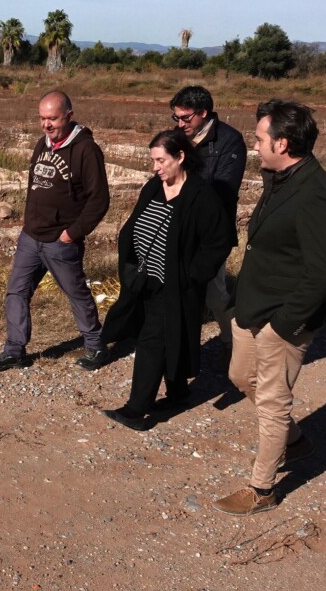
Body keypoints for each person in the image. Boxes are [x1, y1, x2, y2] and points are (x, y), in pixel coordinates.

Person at [213, 100, 326, 516]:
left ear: (282, 143)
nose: (255, 146)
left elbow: (323, 271)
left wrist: (286, 325)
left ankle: (262, 489)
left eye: (259, 138)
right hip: (252, 308)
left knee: (272, 401)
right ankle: (296, 441)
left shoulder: (316, 194)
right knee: (239, 376)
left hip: (283, 318)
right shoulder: (281, 177)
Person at [95, 128, 236, 430]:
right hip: (144, 280)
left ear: (181, 157)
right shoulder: (153, 187)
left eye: (160, 160)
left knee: (151, 342)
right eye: (152, 161)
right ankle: (178, 393)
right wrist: (131, 267)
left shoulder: (200, 196)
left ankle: (137, 410)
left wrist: (191, 276)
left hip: (175, 288)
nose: (155, 167)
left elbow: (219, 241)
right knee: (173, 337)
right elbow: (132, 227)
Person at [0, 90, 111, 372]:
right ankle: (14, 350)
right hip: (31, 237)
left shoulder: (86, 150)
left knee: (76, 293)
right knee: (16, 292)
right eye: (42, 118)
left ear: (69, 116)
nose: (46, 125)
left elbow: (99, 199)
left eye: (52, 118)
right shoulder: (43, 143)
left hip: (60, 241)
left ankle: (95, 345)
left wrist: (72, 233)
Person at [169, 85, 247, 366]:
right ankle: (180, 347)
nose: (180, 124)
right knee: (177, 290)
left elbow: (224, 189)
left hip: (211, 233)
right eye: (176, 118)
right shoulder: (177, 138)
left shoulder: (230, 141)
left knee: (214, 294)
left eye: (185, 118)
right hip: (178, 227)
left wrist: (186, 192)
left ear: (203, 113)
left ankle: (232, 341)